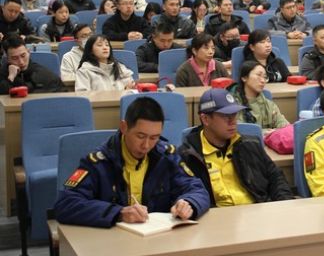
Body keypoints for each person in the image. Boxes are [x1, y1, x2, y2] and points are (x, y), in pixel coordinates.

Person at [54, 97, 210, 228]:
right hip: (113, 242)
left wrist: (188, 203)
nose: (146, 145)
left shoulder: (167, 156)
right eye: (140, 136)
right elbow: (65, 204)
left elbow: (197, 189)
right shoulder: (98, 162)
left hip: (159, 239)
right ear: (124, 127)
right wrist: (118, 213)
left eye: (154, 138)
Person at [179, 89, 293, 207]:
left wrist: (284, 206)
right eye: (225, 116)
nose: (233, 121)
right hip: (217, 216)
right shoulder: (189, 156)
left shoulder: (249, 144)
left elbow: (276, 178)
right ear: (205, 119)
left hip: (256, 211)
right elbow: (185, 196)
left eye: (234, 114)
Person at [231, 61, 289, 129]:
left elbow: (284, 125)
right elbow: (239, 130)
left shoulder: (269, 105)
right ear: (244, 78)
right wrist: (265, 133)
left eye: (265, 77)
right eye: (259, 75)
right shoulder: (233, 105)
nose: (263, 81)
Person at [0, 36, 65, 94]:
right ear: (7, 58)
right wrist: (11, 77)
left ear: (28, 52)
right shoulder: (2, 73)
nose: (21, 62)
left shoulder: (42, 73)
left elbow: (61, 92)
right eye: (15, 58)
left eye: (23, 56)